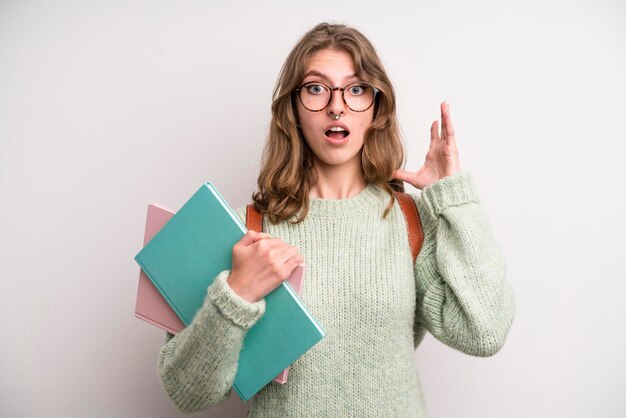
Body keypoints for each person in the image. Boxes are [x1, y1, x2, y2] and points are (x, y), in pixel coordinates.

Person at [157, 22, 515, 417]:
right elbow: (187, 393)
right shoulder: (245, 232)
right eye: (315, 88)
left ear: (376, 107)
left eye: (356, 89)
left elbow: (484, 332)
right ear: (293, 108)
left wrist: (453, 198)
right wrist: (237, 294)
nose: (337, 105)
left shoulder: (410, 221)